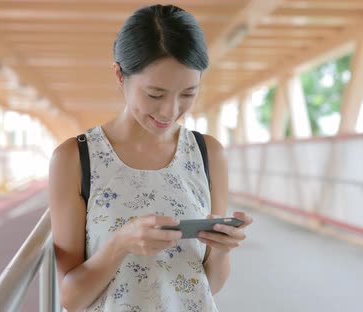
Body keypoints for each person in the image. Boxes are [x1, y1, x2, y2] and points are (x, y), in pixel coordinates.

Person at [49, 4, 253, 311]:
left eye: (188, 93)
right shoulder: (75, 159)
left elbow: (207, 286)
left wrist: (222, 250)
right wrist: (120, 244)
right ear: (119, 74)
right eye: (155, 94)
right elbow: (71, 298)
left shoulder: (208, 153)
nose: (170, 111)